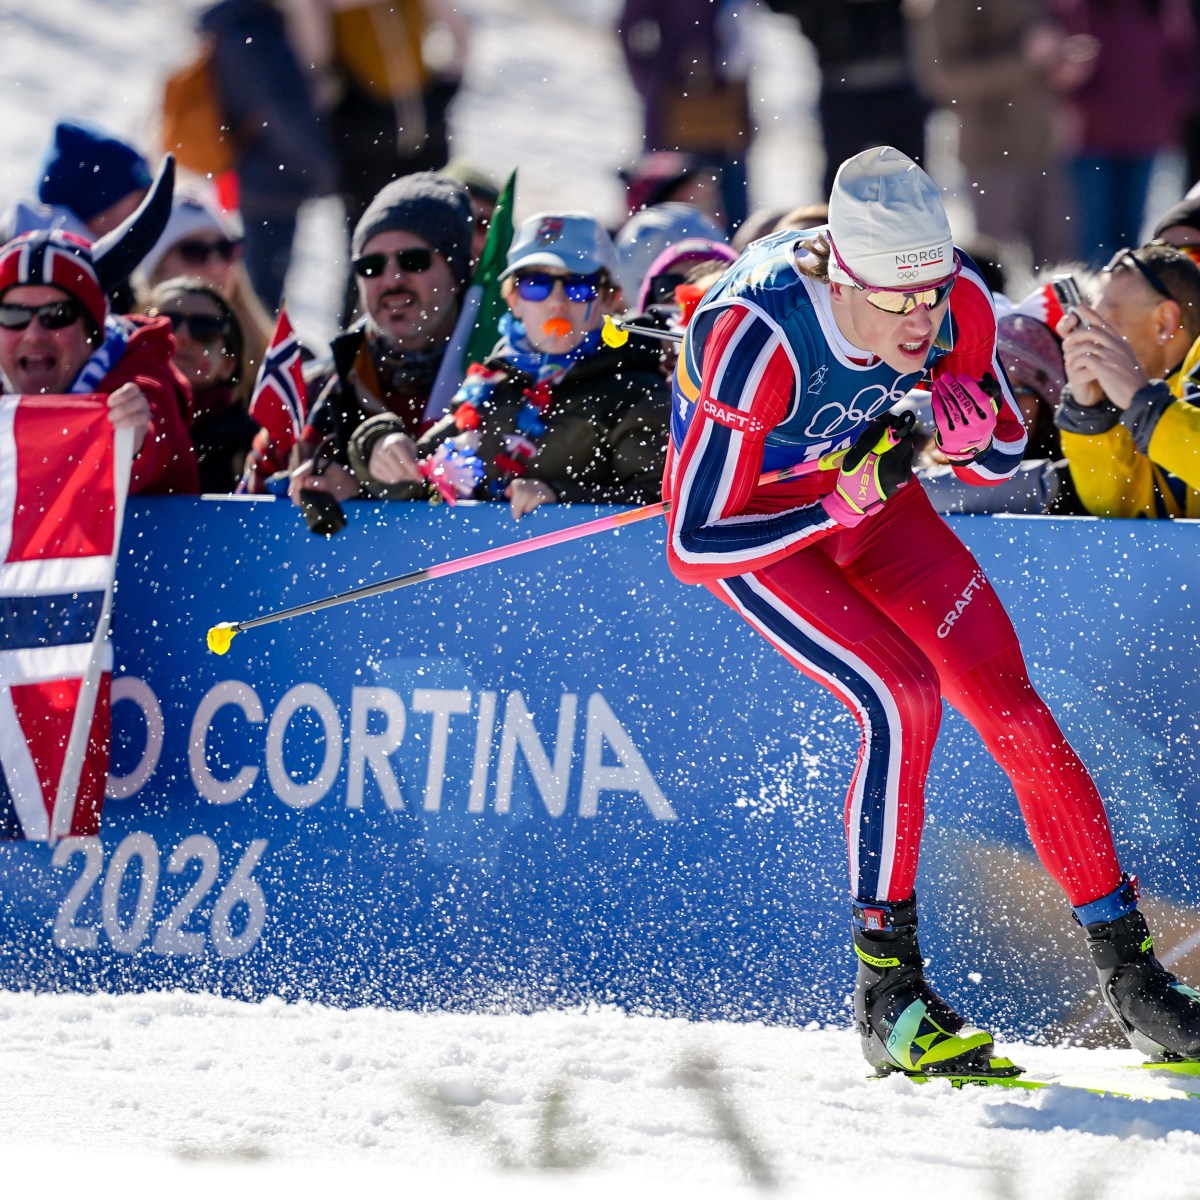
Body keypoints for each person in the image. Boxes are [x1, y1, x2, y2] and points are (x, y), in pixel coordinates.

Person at [664, 145, 1200, 1075]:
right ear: (842, 275)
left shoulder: (953, 302)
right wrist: (839, 502)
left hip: (871, 503)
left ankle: (1133, 979)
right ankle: (888, 995)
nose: (923, 320)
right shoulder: (753, 331)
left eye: (933, 293)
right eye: (898, 301)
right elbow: (693, 544)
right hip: (771, 529)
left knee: (1015, 712)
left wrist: (968, 435)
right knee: (898, 694)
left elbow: (992, 458)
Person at [346, 212, 670, 518]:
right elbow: (422, 483)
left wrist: (560, 499)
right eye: (536, 284)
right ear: (513, 299)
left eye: (578, 286)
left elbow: (659, 507)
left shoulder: (636, 391)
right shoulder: (492, 384)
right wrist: (378, 447)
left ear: (609, 298)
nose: (557, 301)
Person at [286, 171, 471, 516]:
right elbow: (253, 494)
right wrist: (314, 484)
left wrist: (363, 485)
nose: (392, 280)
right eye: (371, 266)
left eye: (412, 260)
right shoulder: (317, 389)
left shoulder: (504, 380)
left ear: (457, 273)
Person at [0, 230, 197, 496]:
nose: (34, 335)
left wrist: (134, 440)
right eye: (12, 315)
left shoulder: (141, 371)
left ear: (92, 331)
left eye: (57, 314)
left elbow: (153, 437)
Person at [904, 0, 1088, 272]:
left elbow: (1040, 52)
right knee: (991, 273)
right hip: (991, 154)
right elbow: (943, 79)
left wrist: (1060, 67)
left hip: (1046, 148)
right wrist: (1024, 61)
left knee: (1060, 276)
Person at [199, 0, 337, 310]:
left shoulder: (234, 26)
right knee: (260, 295)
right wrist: (319, 170)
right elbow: (282, 114)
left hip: (253, 173)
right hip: (272, 180)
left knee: (255, 285)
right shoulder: (256, 35)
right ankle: (250, 354)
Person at [1054, 243, 1200, 514]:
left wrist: (1148, 409)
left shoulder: (1144, 402)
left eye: (1104, 322)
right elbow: (1119, 516)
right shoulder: (1137, 403)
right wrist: (1091, 417)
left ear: (1164, 323)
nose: (1089, 336)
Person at [1057, 0, 1196, 268]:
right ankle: (1093, 300)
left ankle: (1124, 299)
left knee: (1130, 235)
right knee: (1093, 236)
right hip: (1091, 139)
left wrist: (1166, 106)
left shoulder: (1163, 8)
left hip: (1145, 137)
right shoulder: (1080, 8)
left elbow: (1184, 63)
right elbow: (1064, 62)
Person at [766, 0, 928, 198]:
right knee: (840, 188)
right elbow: (779, 6)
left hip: (901, 79)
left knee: (913, 188)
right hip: (841, 81)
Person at [617, 0, 754, 231]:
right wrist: (651, 79)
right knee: (662, 205)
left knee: (733, 211)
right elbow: (629, 26)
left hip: (728, 107)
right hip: (675, 107)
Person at [136, 188, 274, 403]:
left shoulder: (278, 357)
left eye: (225, 248)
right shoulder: (122, 348)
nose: (215, 265)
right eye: (194, 251)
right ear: (157, 267)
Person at [146, 278, 258, 493]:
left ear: (228, 364)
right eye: (163, 323)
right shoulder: (105, 421)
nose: (182, 336)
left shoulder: (252, 448)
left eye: (204, 329)